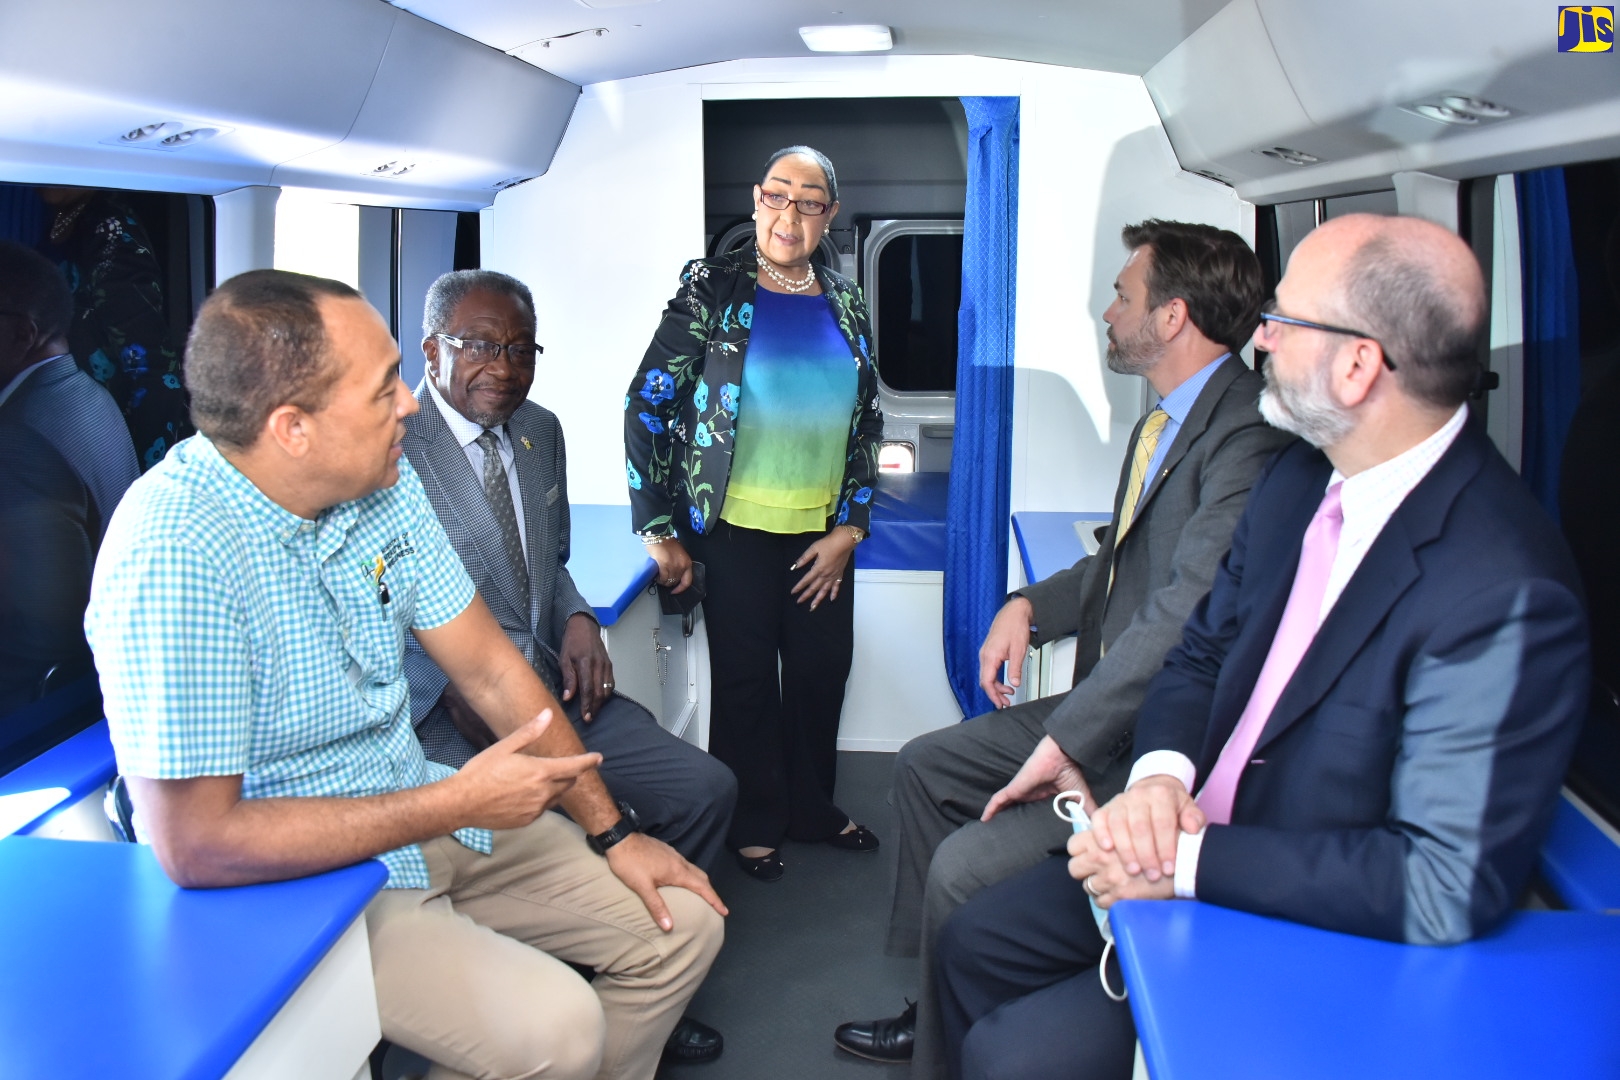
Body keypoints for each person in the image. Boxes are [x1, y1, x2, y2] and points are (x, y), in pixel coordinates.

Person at [934, 214, 1591, 1080]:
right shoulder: (1297, 479)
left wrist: (1184, 861)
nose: (1262, 338)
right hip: (1187, 827)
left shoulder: (1503, 588)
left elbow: (1438, 883)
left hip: (1292, 903)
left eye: (1285, 321)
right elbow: (1201, 654)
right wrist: (1158, 784)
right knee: (974, 942)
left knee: (1010, 1056)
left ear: (1358, 366)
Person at [85, 269, 726, 1080]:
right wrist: (453, 799)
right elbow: (196, 844)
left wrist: (614, 834)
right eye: (385, 387)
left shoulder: (379, 489)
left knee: (682, 924)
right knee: (559, 1031)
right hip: (304, 882)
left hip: (421, 810)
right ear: (293, 428)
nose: (412, 404)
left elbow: (494, 670)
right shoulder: (175, 553)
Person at [835, 221, 1290, 1074]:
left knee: (966, 867)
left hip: (1150, 737)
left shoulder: (1246, 442)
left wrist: (1068, 738)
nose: (1107, 310)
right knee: (924, 766)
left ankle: (949, 1045)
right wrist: (1026, 606)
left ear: (1173, 317)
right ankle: (938, 998)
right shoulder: (1168, 422)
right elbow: (1119, 560)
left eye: (1123, 294)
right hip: (1101, 704)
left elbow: (1182, 616)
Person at [405, 268, 737, 1064]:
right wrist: (449, 682)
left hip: (549, 685)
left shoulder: (538, 430)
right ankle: (578, 978)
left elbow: (546, 563)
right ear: (430, 349)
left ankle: (644, 974)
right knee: (549, 822)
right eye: (479, 344)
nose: (505, 365)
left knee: (704, 790)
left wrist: (581, 614)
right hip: (445, 721)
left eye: (521, 348)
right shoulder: (393, 448)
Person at [623, 145, 883, 882]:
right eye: (777, 195)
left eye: (809, 202)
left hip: (822, 534)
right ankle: (756, 819)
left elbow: (869, 421)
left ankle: (814, 809)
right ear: (755, 200)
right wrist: (658, 526)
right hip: (732, 529)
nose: (789, 214)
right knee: (745, 681)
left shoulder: (847, 299)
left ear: (828, 215)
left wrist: (850, 528)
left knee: (820, 672)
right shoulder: (713, 290)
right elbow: (645, 404)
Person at [0, 239, 139, 715]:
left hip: (38, 705)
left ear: (23, 334)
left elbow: (43, 638)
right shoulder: (87, 395)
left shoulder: (17, 441)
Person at [39, 186, 193, 468]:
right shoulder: (59, 219)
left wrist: (142, 479)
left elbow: (154, 369)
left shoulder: (110, 228)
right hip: (76, 426)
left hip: (113, 438)